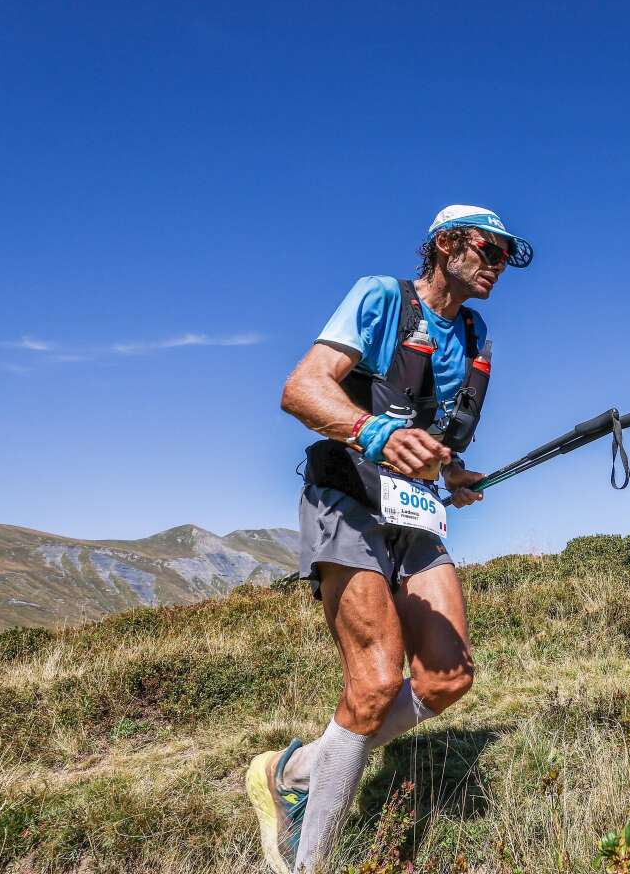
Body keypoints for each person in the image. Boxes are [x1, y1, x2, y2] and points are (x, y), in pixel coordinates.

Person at [247, 205, 533, 874]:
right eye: (487, 248)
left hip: (415, 513)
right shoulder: (382, 297)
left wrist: (453, 473)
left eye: (504, 255)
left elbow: (431, 439)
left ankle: (296, 769)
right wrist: (376, 434)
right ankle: (306, 859)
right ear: (444, 244)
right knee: (374, 685)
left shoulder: (474, 332)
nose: (495, 264)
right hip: (347, 497)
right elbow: (302, 388)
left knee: (447, 679)